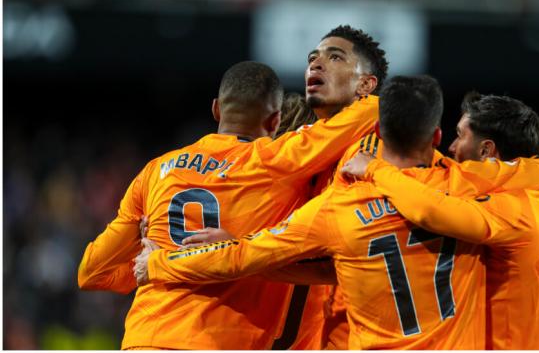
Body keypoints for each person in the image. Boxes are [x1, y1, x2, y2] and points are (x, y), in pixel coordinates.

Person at [134, 76, 539, 349]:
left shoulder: (340, 206)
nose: (452, 146)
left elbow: (248, 257)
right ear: (436, 134)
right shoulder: (462, 187)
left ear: (377, 131)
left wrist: (160, 261)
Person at [77, 60, 381, 350]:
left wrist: (149, 255)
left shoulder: (155, 171)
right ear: (275, 121)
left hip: (145, 336)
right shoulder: (274, 161)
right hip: (220, 339)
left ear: (216, 109)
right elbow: (372, 112)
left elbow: (91, 273)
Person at [341, 91, 539, 349]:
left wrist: (374, 169)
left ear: (486, 150)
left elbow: (429, 211)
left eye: (460, 135)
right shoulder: (536, 190)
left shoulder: (510, 208)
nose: (452, 147)